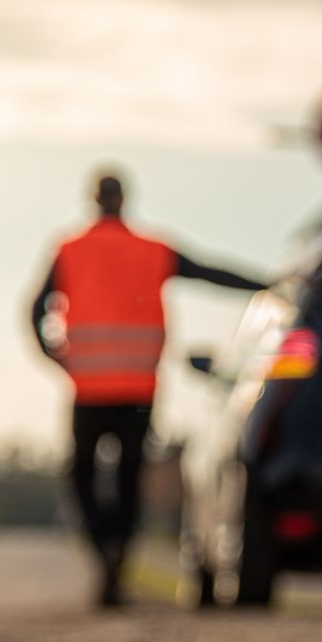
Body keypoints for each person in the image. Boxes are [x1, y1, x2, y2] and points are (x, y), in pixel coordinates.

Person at [30, 171, 267, 606]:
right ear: (124, 200)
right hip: (138, 391)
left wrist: (59, 360)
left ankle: (105, 549)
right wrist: (269, 285)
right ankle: (117, 551)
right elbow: (211, 271)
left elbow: (33, 310)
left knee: (81, 476)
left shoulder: (69, 249)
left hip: (88, 390)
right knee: (127, 477)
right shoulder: (152, 249)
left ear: (93, 199)